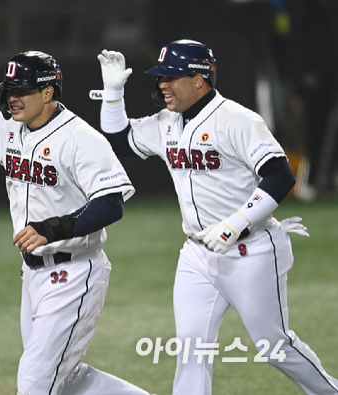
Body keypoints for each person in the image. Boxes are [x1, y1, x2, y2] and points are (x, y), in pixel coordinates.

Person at [96, 39, 338, 395]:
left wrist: (235, 223)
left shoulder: (237, 119)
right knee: (191, 350)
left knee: (275, 347)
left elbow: (280, 175)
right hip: (197, 254)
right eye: (161, 75)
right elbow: (118, 140)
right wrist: (113, 94)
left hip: (250, 250)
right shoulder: (166, 122)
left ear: (199, 80)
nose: (162, 83)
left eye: (171, 76)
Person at [0, 42, 152, 395]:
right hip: (32, 274)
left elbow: (110, 204)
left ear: (47, 92)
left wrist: (52, 229)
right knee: (66, 379)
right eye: (9, 91)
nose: (12, 98)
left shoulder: (80, 138)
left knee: (34, 383)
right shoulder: (8, 129)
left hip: (74, 274)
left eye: (22, 91)